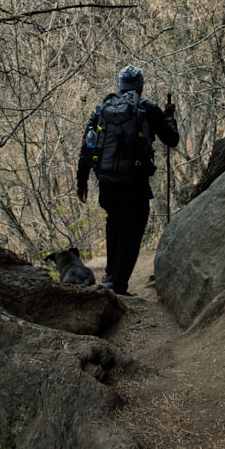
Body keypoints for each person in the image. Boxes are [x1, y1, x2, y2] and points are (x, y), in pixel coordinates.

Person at [76, 65, 179, 296]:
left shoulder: (102, 108)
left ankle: (111, 278)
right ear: (140, 87)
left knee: (114, 226)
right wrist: (169, 114)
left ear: (120, 86)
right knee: (132, 233)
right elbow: (171, 139)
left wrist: (81, 181)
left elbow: (86, 146)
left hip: (106, 181)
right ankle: (118, 286)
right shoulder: (148, 108)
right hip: (135, 183)